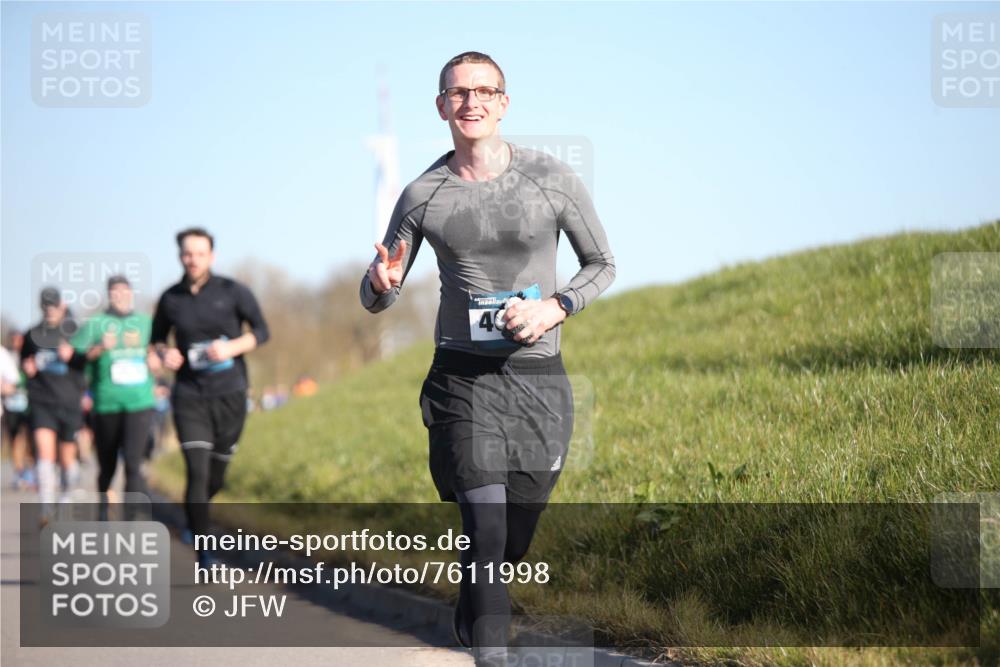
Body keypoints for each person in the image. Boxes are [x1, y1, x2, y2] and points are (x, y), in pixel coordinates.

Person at [359, 52, 615, 666]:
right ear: (442, 106)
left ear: (504, 102)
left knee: (512, 539)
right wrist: (383, 281)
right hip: (462, 380)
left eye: (484, 91)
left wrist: (557, 306)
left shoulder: (550, 179)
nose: (470, 101)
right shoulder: (423, 193)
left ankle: (476, 597)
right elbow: (374, 297)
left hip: (538, 382)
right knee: (487, 527)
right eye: (457, 92)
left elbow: (602, 265)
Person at [151, 227, 269, 566]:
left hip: (230, 394)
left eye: (199, 254)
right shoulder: (170, 298)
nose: (193, 260)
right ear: (180, 256)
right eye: (187, 254)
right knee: (198, 472)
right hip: (189, 395)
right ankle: (205, 552)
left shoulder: (233, 292)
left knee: (215, 477)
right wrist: (164, 354)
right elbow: (157, 340)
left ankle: (194, 516)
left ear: (211, 256)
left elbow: (262, 331)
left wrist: (230, 347)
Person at [72, 275, 159, 515]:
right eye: (115, 292)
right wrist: (98, 348)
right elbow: (74, 360)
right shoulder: (96, 323)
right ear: (109, 295)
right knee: (107, 465)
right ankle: (103, 506)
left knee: (133, 463)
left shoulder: (145, 323)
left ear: (131, 293)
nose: (120, 296)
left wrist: (156, 360)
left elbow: (159, 352)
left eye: (124, 291)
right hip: (106, 403)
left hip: (139, 402)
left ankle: (130, 521)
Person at [21, 287, 87, 524]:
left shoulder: (74, 332)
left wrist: (74, 356)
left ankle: (65, 500)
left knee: (67, 460)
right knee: (44, 453)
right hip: (42, 401)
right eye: (45, 306)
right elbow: (25, 364)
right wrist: (28, 369)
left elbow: (86, 362)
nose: (49, 310)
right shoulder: (32, 335)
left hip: (69, 402)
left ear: (62, 306)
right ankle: (46, 509)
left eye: (53, 305)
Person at [1, 330, 34, 490]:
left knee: (28, 439)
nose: (17, 343)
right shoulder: (7, 356)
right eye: (14, 340)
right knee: (14, 439)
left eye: (19, 340)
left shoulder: (29, 356)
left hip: (29, 404)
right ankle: (19, 472)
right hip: (11, 405)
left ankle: (29, 471)